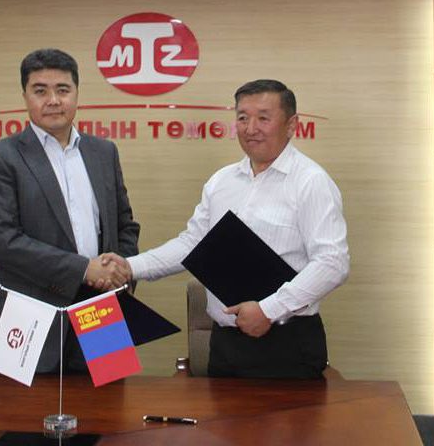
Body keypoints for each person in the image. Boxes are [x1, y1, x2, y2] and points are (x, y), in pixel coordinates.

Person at [123, 79, 349, 379]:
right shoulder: (222, 181)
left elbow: (333, 263)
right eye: (243, 117)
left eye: (263, 118)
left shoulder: (310, 181)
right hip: (225, 343)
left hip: (286, 343)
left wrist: (268, 309)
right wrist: (128, 267)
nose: (250, 128)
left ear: (292, 124)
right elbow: (192, 244)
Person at [0, 48, 139, 373]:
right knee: (21, 405)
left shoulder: (103, 152)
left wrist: (118, 272)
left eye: (62, 90)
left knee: (108, 399)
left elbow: (125, 224)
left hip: (102, 307)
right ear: (25, 96)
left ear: (76, 94)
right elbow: (2, 241)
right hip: (30, 309)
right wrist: (83, 269)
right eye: (40, 91)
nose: (53, 100)